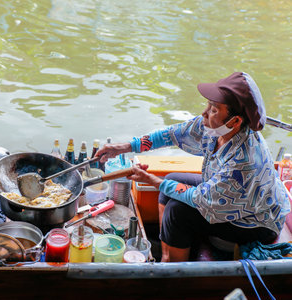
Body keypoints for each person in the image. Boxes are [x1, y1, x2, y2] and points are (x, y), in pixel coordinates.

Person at [96, 72, 291, 262]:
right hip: (221, 195)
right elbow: (172, 133)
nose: (204, 113)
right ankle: (166, 256)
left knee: (177, 212)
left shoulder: (243, 163)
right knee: (171, 180)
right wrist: (124, 147)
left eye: (214, 109)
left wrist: (152, 180)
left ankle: (175, 272)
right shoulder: (215, 127)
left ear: (236, 121)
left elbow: (202, 198)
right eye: (208, 106)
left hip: (256, 221)